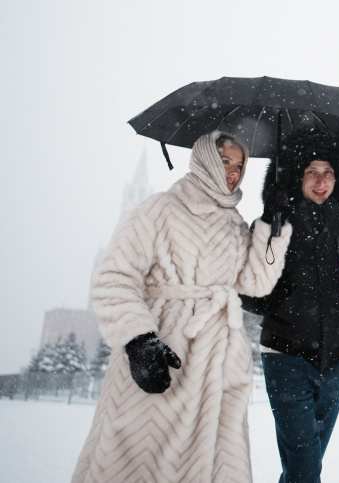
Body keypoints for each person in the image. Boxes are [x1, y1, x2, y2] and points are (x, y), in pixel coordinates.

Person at [73, 132, 293, 483]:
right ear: (205, 159)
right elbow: (114, 276)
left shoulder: (234, 222)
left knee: (214, 463)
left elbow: (255, 284)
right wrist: (138, 341)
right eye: (225, 162)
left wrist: (272, 225)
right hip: (164, 353)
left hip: (217, 363)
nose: (234, 172)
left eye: (240, 166)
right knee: (141, 461)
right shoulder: (158, 209)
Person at [241, 128, 339, 483]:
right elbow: (248, 293)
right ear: (298, 176)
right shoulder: (275, 223)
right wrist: (268, 228)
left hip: (338, 361)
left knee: (304, 464)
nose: (320, 181)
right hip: (285, 358)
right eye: (311, 171)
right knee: (305, 464)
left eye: (328, 172)